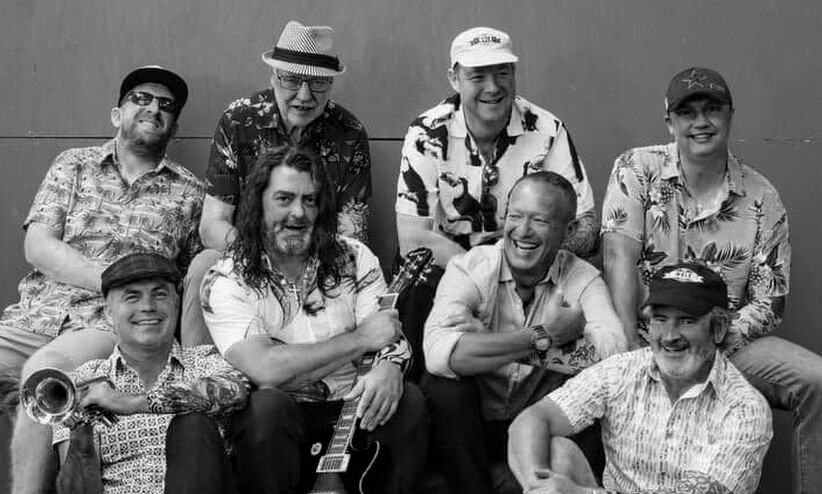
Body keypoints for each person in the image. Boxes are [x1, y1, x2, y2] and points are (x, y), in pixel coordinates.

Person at [601, 66, 822, 494]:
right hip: (647, 338)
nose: (700, 122)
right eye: (687, 112)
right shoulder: (637, 168)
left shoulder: (762, 196)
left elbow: (770, 300)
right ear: (669, 121)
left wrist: (713, 339)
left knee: (817, 381)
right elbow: (618, 258)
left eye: (712, 109)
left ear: (730, 115)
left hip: (728, 342)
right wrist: (630, 345)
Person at [0, 65, 205, 494]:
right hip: (34, 314)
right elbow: (38, 245)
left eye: (166, 105)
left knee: (43, 372)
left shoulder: (191, 192)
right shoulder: (72, 164)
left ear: (174, 126)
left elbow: (180, 283)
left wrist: (124, 296)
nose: (153, 108)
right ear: (117, 113)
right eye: (141, 99)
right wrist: (111, 278)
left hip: (104, 323)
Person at [200, 145, 427, 494]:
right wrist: (359, 340)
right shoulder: (227, 279)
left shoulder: (355, 257)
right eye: (284, 199)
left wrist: (389, 367)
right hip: (282, 423)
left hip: (354, 406)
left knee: (407, 400)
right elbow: (266, 369)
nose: (298, 213)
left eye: (310, 200)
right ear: (258, 203)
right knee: (266, 406)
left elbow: (385, 333)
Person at [395, 26, 598, 379]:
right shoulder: (426, 132)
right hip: (452, 263)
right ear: (454, 78)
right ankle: (417, 385)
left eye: (502, 73)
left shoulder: (547, 130)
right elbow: (413, 238)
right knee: (416, 283)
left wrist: (526, 266)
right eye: (477, 76)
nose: (492, 87)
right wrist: (485, 277)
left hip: (529, 261)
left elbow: (586, 225)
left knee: (582, 283)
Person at [423, 171, 626, 494]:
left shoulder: (582, 278)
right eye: (515, 216)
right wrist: (545, 336)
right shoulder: (470, 268)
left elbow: (614, 358)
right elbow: (438, 356)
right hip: (473, 425)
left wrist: (484, 344)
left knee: (589, 394)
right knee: (444, 389)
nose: (523, 230)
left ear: (569, 230)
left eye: (540, 220)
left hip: (539, 423)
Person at [182, 20, 372, 346]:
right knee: (203, 265)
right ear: (273, 76)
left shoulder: (349, 133)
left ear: (331, 85)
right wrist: (266, 258)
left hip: (317, 258)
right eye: (292, 79)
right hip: (246, 252)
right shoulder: (239, 120)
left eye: (318, 83)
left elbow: (353, 231)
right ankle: (199, 369)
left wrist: (298, 263)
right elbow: (212, 225)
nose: (304, 95)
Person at [508, 262, 773, 494]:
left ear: (719, 328)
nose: (670, 336)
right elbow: (533, 419)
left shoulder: (746, 408)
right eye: (660, 319)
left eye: (687, 321)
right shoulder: (621, 371)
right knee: (554, 453)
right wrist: (538, 486)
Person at [49, 252, 247, 494]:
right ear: (109, 312)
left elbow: (237, 389)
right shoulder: (83, 380)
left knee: (192, 424)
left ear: (176, 304)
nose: (147, 307)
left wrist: (129, 403)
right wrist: (81, 435)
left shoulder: (205, 361)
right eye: (132, 297)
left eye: (160, 294)